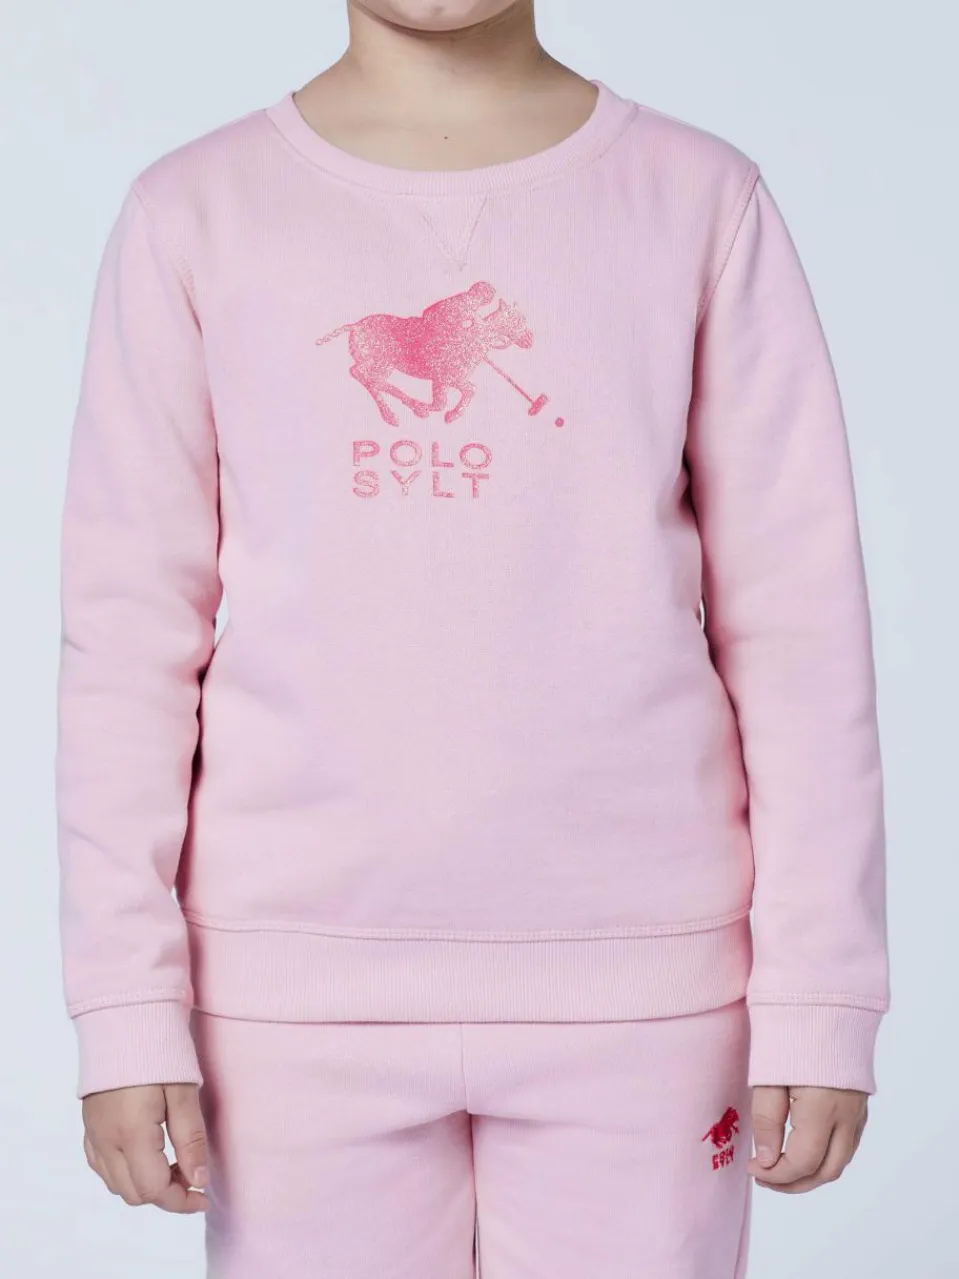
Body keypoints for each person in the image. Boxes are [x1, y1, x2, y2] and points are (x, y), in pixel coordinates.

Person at [56, 1, 891, 1275]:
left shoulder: (696, 201)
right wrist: (124, 1005)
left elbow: (797, 625)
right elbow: (125, 642)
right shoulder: (194, 213)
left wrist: (820, 990)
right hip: (289, 1001)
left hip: (644, 993)